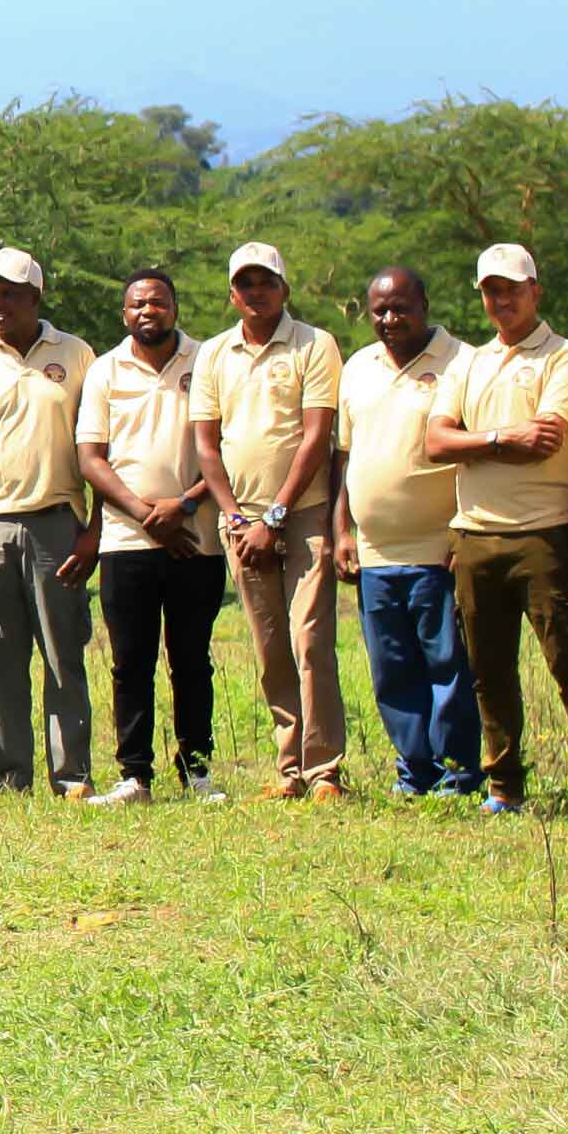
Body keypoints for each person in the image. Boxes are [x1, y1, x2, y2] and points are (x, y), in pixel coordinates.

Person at [427, 243, 568, 820]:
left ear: (535, 290)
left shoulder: (566, 359)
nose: (501, 300)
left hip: (546, 533)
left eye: (511, 288)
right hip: (473, 534)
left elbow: (548, 439)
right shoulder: (467, 362)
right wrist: (498, 441)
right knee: (488, 672)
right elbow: (435, 443)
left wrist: (476, 443)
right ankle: (504, 788)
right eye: (490, 290)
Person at [189, 240, 346, 799]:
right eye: (245, 284)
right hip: (241, 522)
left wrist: (274, 517)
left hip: (301, 515)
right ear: (232, 293)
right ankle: (288, 772)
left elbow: (316, 436)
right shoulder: (212, 354)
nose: (256, 292)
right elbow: (207, 446)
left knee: (309, 641)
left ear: (284, 288)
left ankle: (324, 770)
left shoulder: (314, 345)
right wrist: (235, 516)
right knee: (271, 647)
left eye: (266, 282)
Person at [0, 247, 97, 796]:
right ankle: (13, 775)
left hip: (57, 522)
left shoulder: (77, 355)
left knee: (63, 656)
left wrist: (94, 530)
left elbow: (99, 448)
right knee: (1, 661)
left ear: (35, 296)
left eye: (9, 293)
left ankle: (72, 775)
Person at [333, 265, 483, 801]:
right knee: (391, 671)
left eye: (402, 307)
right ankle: (414, 773)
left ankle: (458, 773)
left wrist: (463, 533)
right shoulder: (356, 367)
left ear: (425, 304)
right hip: (374, 552)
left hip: (437, 549)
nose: (391, 318)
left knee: (447, 666)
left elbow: (473, 458)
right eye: (380, 310)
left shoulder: (464, 363)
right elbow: (345, 458)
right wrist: (342, 531)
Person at [74, 272, 220, 804]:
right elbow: (91, 458)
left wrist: (182, 507)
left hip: (196, 537)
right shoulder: (106, 370)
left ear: (176, 307)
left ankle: (197, 771)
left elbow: (224, 449)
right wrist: (146, 514)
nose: (147, 311)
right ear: (124, 314)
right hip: (125, 540)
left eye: (157, 302)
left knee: (192, 659)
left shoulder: (208, 362)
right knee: (129, 662)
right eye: (137, 304)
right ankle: (135, 775)